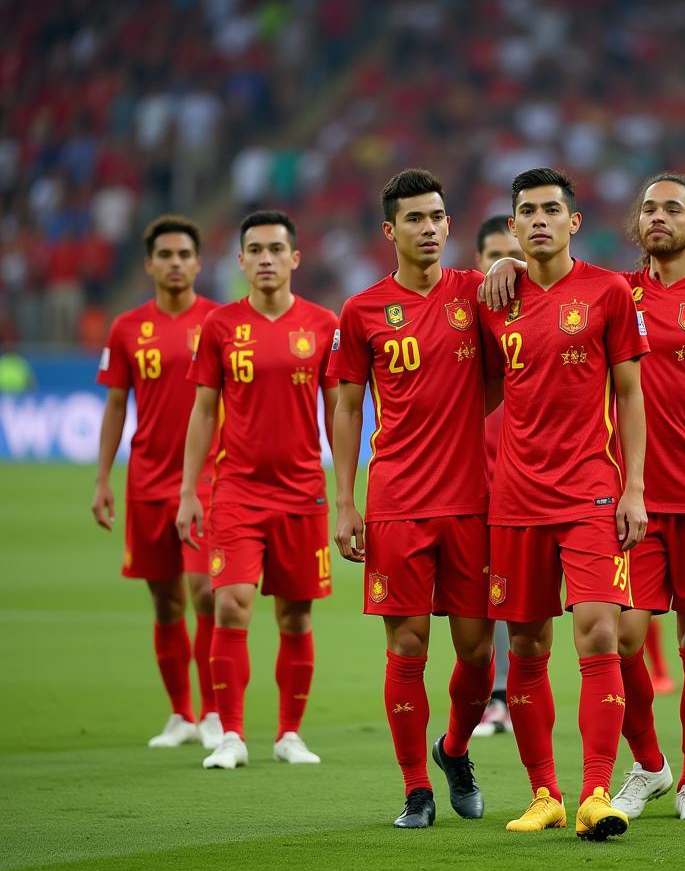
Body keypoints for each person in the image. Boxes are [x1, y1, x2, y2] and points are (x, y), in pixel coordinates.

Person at [483, 174, 685, 823]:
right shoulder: (615, 289)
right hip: (626, 497)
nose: (657, 217)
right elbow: (552, 278)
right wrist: (507, 258)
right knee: (624, 640)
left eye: (673, 209)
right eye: (649, 208)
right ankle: (650, 763)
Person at [478, 168, 648, 841]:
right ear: (513, 226)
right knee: (524, 643)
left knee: (601, 630)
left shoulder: (607, 291)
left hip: (589, 489)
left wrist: (634, 487)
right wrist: (501, 261)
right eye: (528, 212)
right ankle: (544, 792)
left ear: (574, 221)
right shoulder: (494, 294)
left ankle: (596, 792)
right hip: (515, 497)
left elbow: (630, 394)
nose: (541, 219)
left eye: (553, 209)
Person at [331, 169, 497, 828]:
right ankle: (416, 789)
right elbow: (346, 408)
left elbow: (502, 376)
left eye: (436, 217)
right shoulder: (363, 310)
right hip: (396, 499)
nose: (427, 229)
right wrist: (344, 502)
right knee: (406, 646)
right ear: (389, 230)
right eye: (414, 219)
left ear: (450, 224)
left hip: (473, 501)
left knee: (479, 652)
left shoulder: (480, 294)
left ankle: (455, 749)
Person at [176, 210, 338, 769]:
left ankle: (289, 733)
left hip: (302, 494)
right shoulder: (220, 327)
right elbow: (202, 413)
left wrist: (345, 496)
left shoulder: (322, 324)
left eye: (276, 249)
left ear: (295, 258)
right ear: (241, 260)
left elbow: (340, 409)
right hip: (238, 491)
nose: (266, 259)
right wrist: (187, 492)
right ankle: (232, 734)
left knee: (295, 618)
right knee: (231, 607)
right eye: (255, 250)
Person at [93, 214, 222, 751]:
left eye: (183, 254)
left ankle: (215, 713)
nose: (174, 263)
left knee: (206, 593)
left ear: (197, 262)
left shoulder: (219, 322)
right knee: (166, 603)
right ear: (149, 264)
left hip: (211, 479)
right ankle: (181, 715)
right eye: (164, 255)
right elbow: (116, 404)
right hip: (147, 480)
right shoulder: (126, 328)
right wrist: (102, 479)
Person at [472, 216, 522, 739]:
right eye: (493, 255)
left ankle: (508, 695)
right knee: (488, 598)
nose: (505, 265)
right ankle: (495, 696)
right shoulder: (466, 316)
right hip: (474, 482)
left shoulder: (557, 312)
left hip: (538, 482)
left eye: (513, 255)